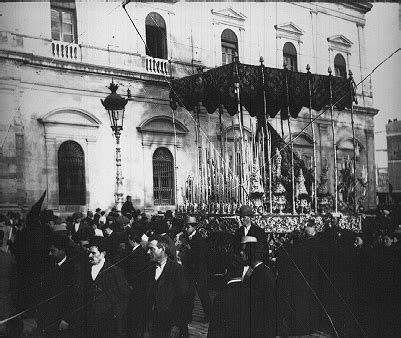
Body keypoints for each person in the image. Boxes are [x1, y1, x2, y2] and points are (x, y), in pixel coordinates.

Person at [83, 237, 131, 337]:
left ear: (103, 253)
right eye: (89, 252)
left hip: (108, 320)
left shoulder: (115, 271)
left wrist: (117, 314)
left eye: (93, 253)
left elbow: (125, 294)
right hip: (89, 319)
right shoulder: (85, 269)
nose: (89, 256)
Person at [145, 234, 188, 337]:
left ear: (162, 248)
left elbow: (183, 299)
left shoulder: (177, 270)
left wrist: (177, 325)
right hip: (151, 323)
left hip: (168, 323)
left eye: (151, 249)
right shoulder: (148, 269)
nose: (148, 252)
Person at [38, 235, 81, 336]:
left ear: (62, 250)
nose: (49, 254)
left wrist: (67, 319)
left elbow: (75, 297)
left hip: (63, 319)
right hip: (48, 316)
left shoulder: (73, 269)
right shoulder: (48, 266)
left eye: (53, 251)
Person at [208, 253, 252, 337]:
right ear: (242, 271)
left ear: (226, 271)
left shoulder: (220, 298)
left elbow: (214, 331)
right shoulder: (253, 295)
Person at [241, 238, 277, 337]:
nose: (241, 253)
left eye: (244, 252)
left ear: (250, 255)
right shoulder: (263, 270)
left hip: (260, 326)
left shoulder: (258, 274)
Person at [183, 216, 212, 323]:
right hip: (190, 271)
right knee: (189, 294)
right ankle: (188, 316)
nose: (185, 228)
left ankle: (209, 314)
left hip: (200, 271)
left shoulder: (200, 239)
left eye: (188, 226)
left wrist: (189, 250)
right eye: (185, 226)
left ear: (194, 227)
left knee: (203, 293)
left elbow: (201, 257)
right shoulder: (186, 238)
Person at [125, 229, 151, 337]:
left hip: (136, 288)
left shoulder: (137, 253)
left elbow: (135, 272)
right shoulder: (140, 251)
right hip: (138, 287)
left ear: (132, 240)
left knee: (134, 312)